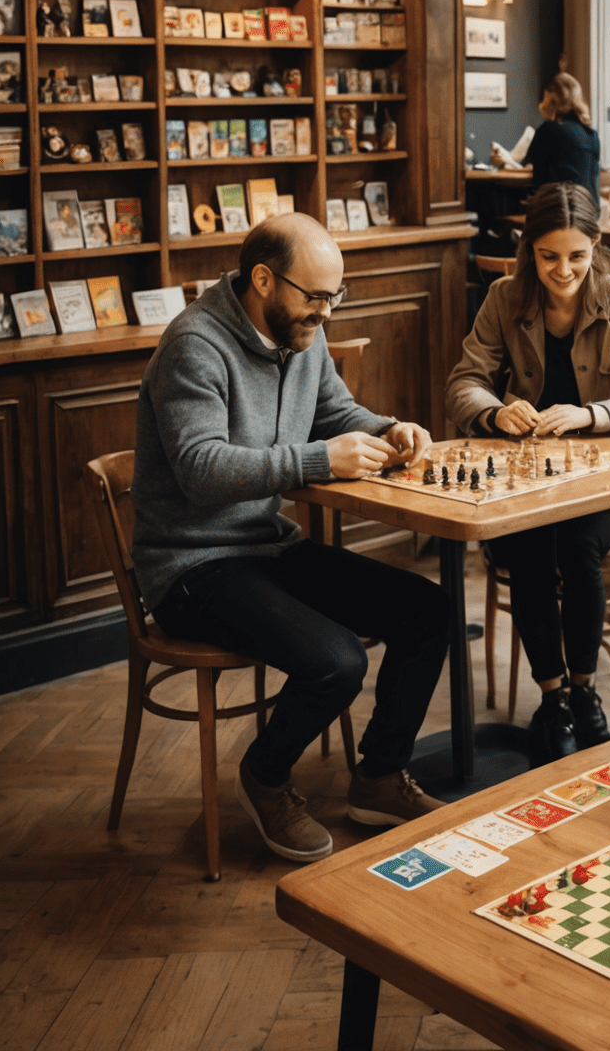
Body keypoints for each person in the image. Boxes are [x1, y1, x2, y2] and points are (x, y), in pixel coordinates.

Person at [135, 213, 449, 864]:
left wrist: (390, 430)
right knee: (337, 661)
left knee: (429, 610)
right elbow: (199, 468)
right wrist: (315, 461)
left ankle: (379, 778)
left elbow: (335, 413)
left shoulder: (299, 334)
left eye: (336, 297)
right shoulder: (194, 345)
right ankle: (266, 776)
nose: (326, 313)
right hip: (191, 564)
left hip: (266, 545)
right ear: (262, 279)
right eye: (315, 296)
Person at [445, 183, 610, 762]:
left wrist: (592, 414)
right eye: (548, 256)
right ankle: (551, 698)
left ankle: (585, 690)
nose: (562, 269)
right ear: (530, 250)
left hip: (604, 486)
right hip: (529, 481)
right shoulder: (504, 296)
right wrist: (496, 410)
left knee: (575, 544)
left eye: (577, 255)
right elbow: (462, 385)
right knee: (528, 541)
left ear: (595, 246)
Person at [524, 72, 602, 204]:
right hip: (588, 211)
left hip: (558, 210)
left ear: (551, 97)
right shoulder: (591, 135)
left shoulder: (548, 130)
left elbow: (534, 172)